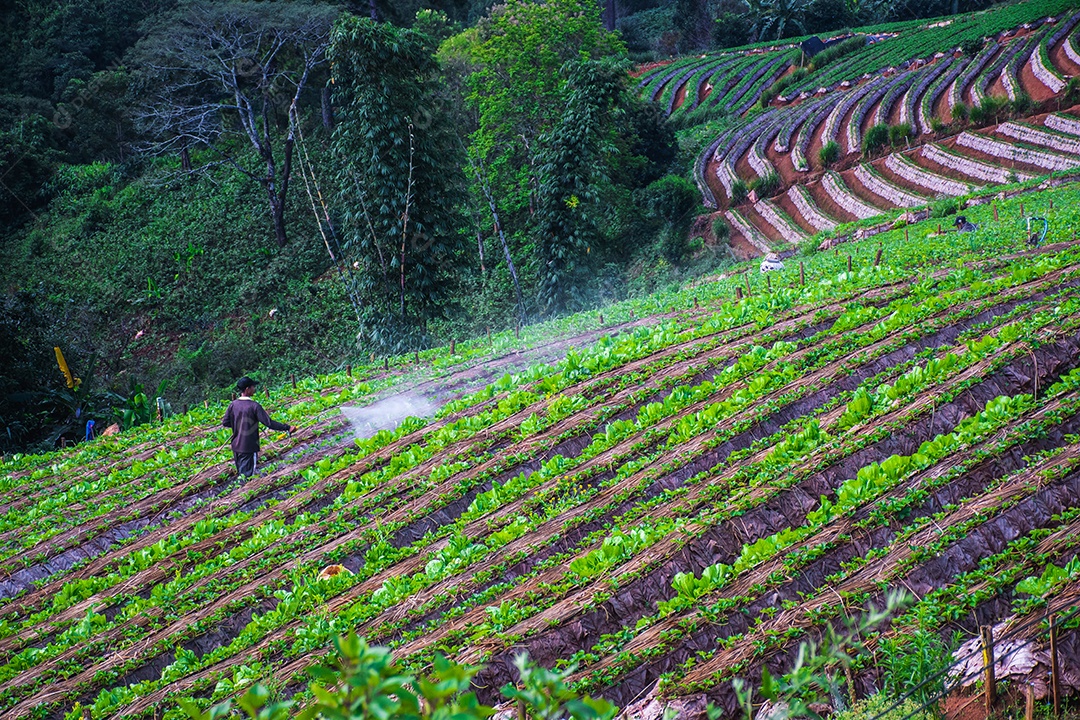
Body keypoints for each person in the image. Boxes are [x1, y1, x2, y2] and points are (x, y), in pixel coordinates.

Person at [222, 376, 297, 477]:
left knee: (242, 474)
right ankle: (242, 492)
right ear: (247, 389)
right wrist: (287, 427)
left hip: (236, 446)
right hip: (248, 447)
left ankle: (239, 491)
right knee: (247, 476)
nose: (254, 389)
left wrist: (240, 425)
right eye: (253, 387)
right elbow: (269, 423)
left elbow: (226, 422)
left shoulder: (233, 405)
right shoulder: (254, 406)